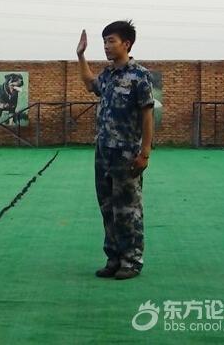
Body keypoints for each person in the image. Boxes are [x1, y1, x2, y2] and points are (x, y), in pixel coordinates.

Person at [76, 20, 154, 280]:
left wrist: (145, 152)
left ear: (127, 44)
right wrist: (80, 55)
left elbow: (147, 116)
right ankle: (114, 258)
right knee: (107, 207)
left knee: (128, 209)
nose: (107, 47)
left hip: (127, 154)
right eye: (105, 42)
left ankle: (131, 261)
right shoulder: (108, 75)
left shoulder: (140, 76)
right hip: (103, 153)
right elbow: (90, 84)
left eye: (112, 41)